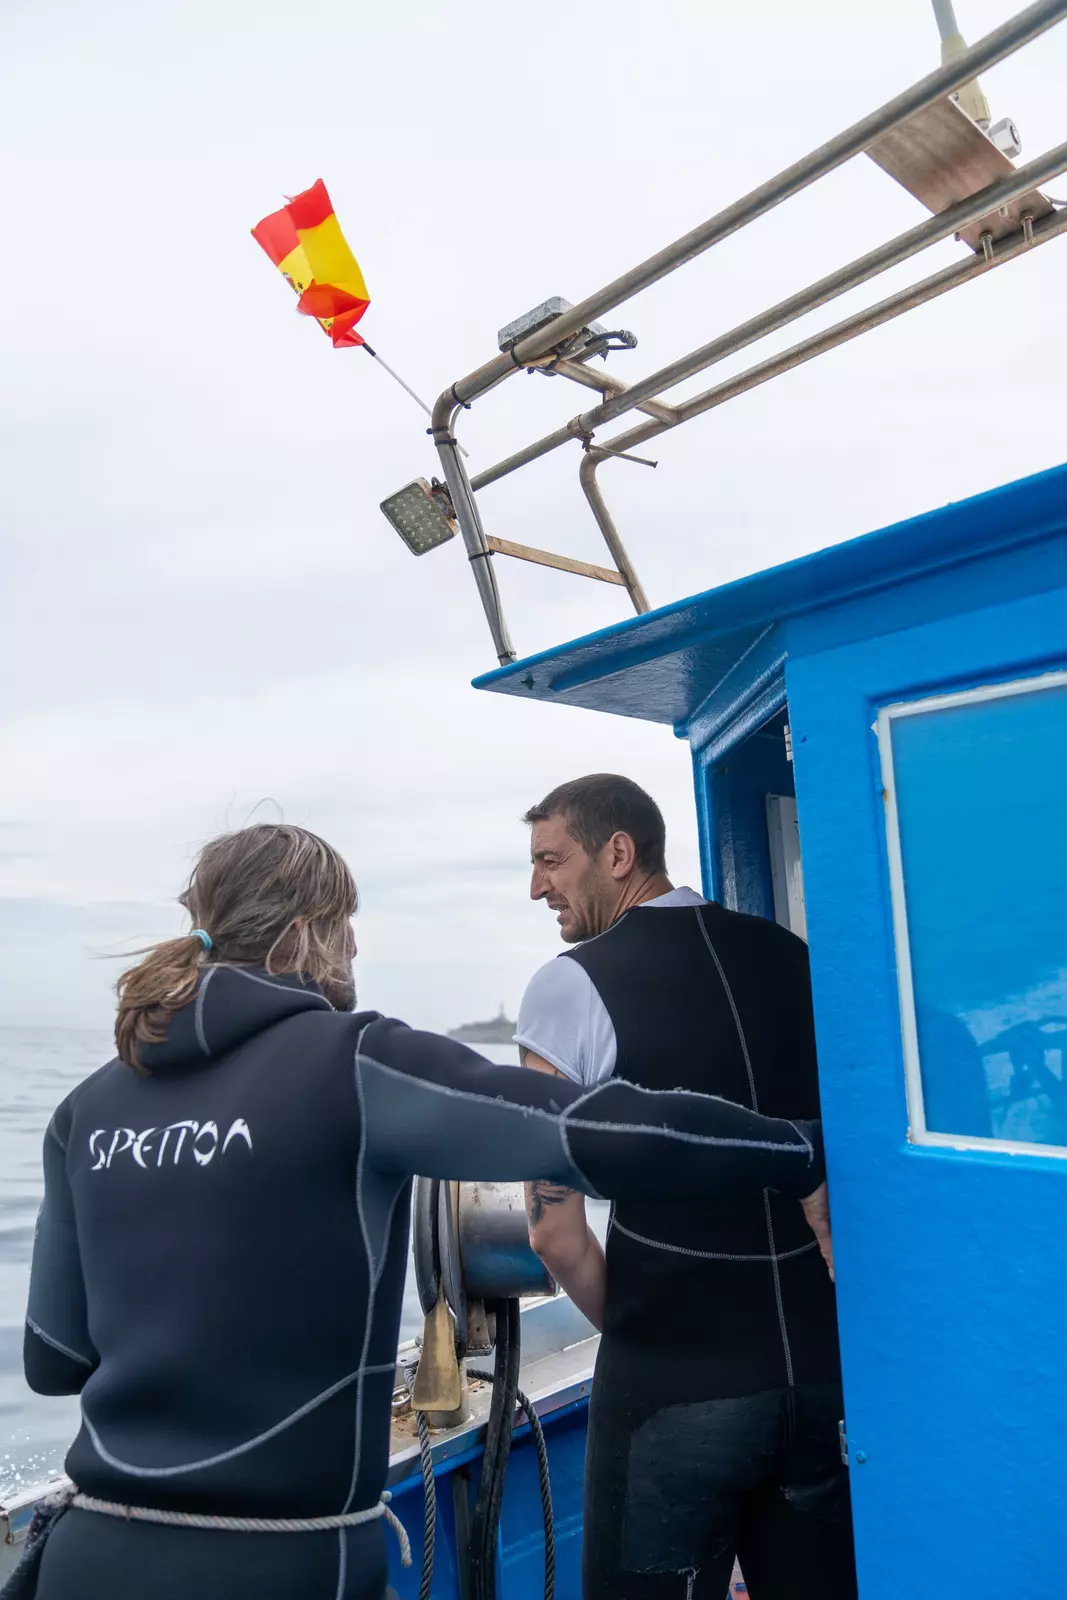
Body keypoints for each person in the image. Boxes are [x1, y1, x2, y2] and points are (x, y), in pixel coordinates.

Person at [16, 822, 830, 1600]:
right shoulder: (353, 1063)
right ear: (306, 935)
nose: (358, 949)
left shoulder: (84, 1111)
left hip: (93, 1552)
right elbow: (600, 1131)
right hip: (284, 1563)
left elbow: (55, 1363)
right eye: (347, 925)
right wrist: (797, 1153)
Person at [517, 775, 855, 1600]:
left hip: (673, 1391)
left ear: (618, 853)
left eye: (550, 861)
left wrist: (641, 1333)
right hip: (820, 1377)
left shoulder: (571, 983)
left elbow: (552, 1232)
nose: (536, 887)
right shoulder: (789, 956)